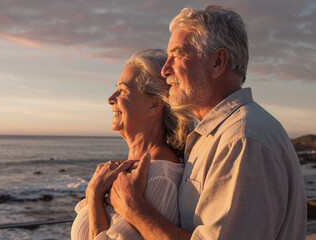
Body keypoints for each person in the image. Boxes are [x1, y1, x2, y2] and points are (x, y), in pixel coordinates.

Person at [109, 5, 307, 240]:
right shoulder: (216, 135)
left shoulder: (242, 141)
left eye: (177, 55)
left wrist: (134, 208)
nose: (164, 69)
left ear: (217, 62)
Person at [71, 49, 194, 240]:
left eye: (123, 90)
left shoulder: (160, 176)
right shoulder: (131, 169)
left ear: (154, 105)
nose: (111, 98)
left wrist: (95, 196)